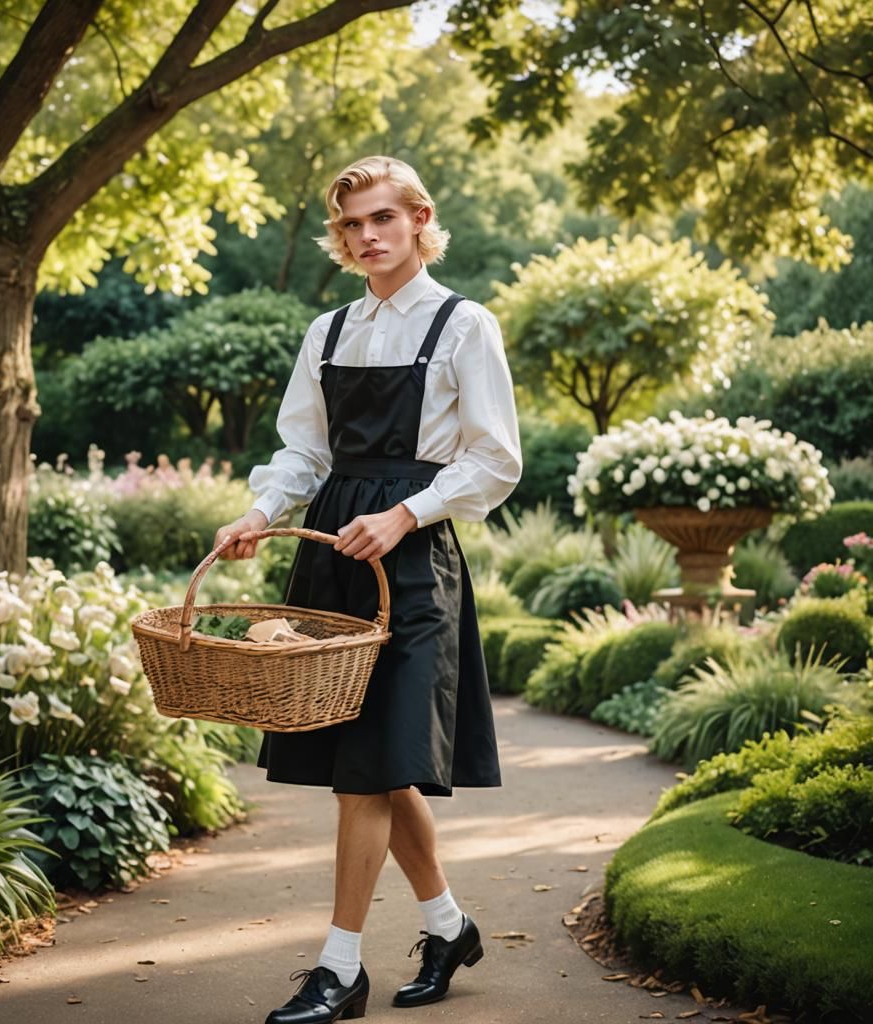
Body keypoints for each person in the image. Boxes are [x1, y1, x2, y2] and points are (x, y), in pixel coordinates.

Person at [212, 155, 522, 1023]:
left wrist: (408, 514)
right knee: (379, 769)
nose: (367, 236)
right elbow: (304, 451)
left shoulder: (467, 327)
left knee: (368, 771)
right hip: (332, 555)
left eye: (383, 218)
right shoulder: (329, 330)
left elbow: (495, 459)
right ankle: (449, 926)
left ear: (420, 219)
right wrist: (259, 513)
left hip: (415, 561)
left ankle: (339, 969)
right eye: (352, 224)